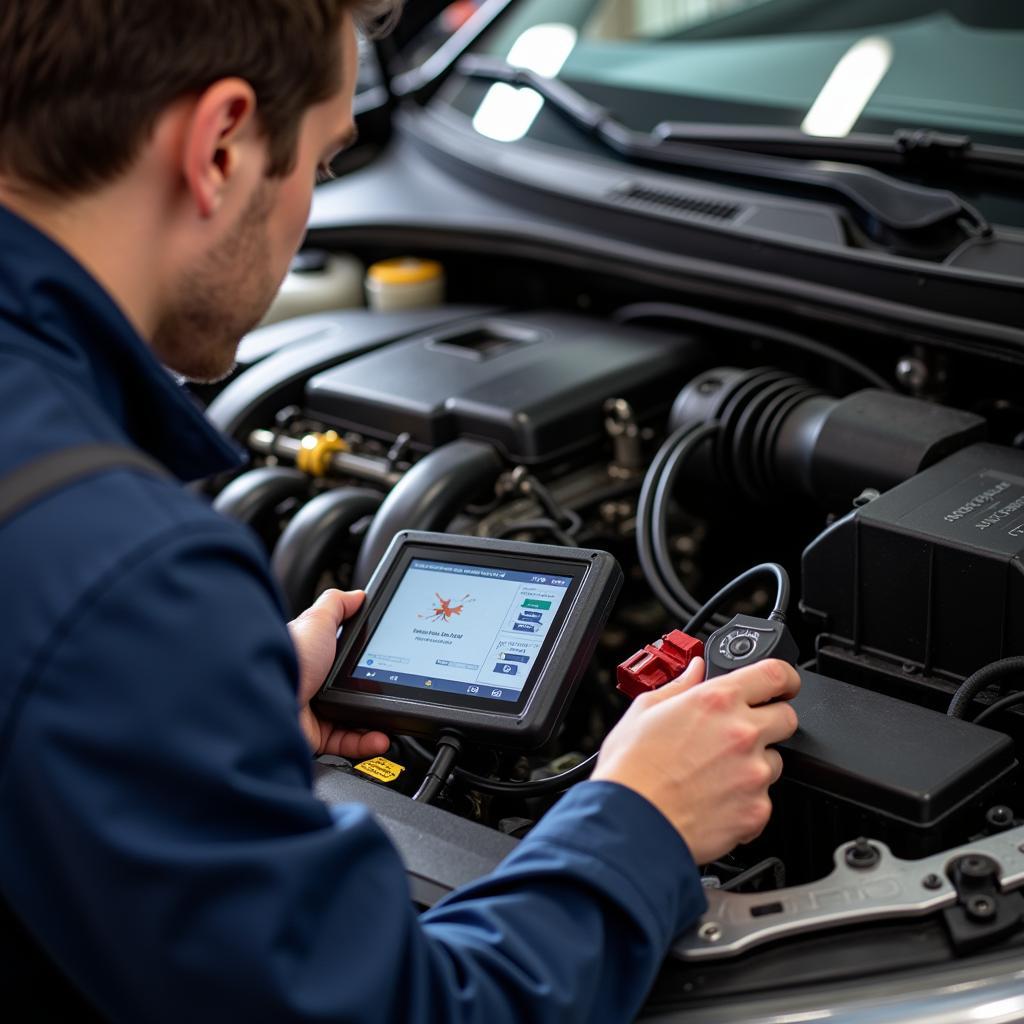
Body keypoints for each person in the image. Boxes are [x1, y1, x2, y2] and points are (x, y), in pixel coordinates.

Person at [0, 2, 800, 1021]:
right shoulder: (115, 574)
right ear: (220, 144)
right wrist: (639, 816)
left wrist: (204, 710)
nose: (306, 208)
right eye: (326, 161)